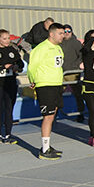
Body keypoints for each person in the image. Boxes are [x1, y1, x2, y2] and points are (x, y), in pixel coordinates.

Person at [28, 23, 66, 160]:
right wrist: (32, 80)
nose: (63, 36)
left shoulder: (58, 48)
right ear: (52, 34)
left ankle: (48, 145)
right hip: (45, 85)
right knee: (48, 116)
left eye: (63, 33)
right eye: (60, 33)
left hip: (56, 84)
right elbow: (32, 66)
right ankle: (44, 149)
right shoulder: (41, 48)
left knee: (53, 114)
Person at [59, 24, 85, 122]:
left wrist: (76, 65)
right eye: (64, 31)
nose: (66, 33)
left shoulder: (76, 43)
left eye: (68, 31)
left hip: (73, 72)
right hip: (61, 72)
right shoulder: (59, 43)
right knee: (57, 94)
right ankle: (54, 115)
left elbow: (81, 55)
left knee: (78, 94)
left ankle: (81, 114)